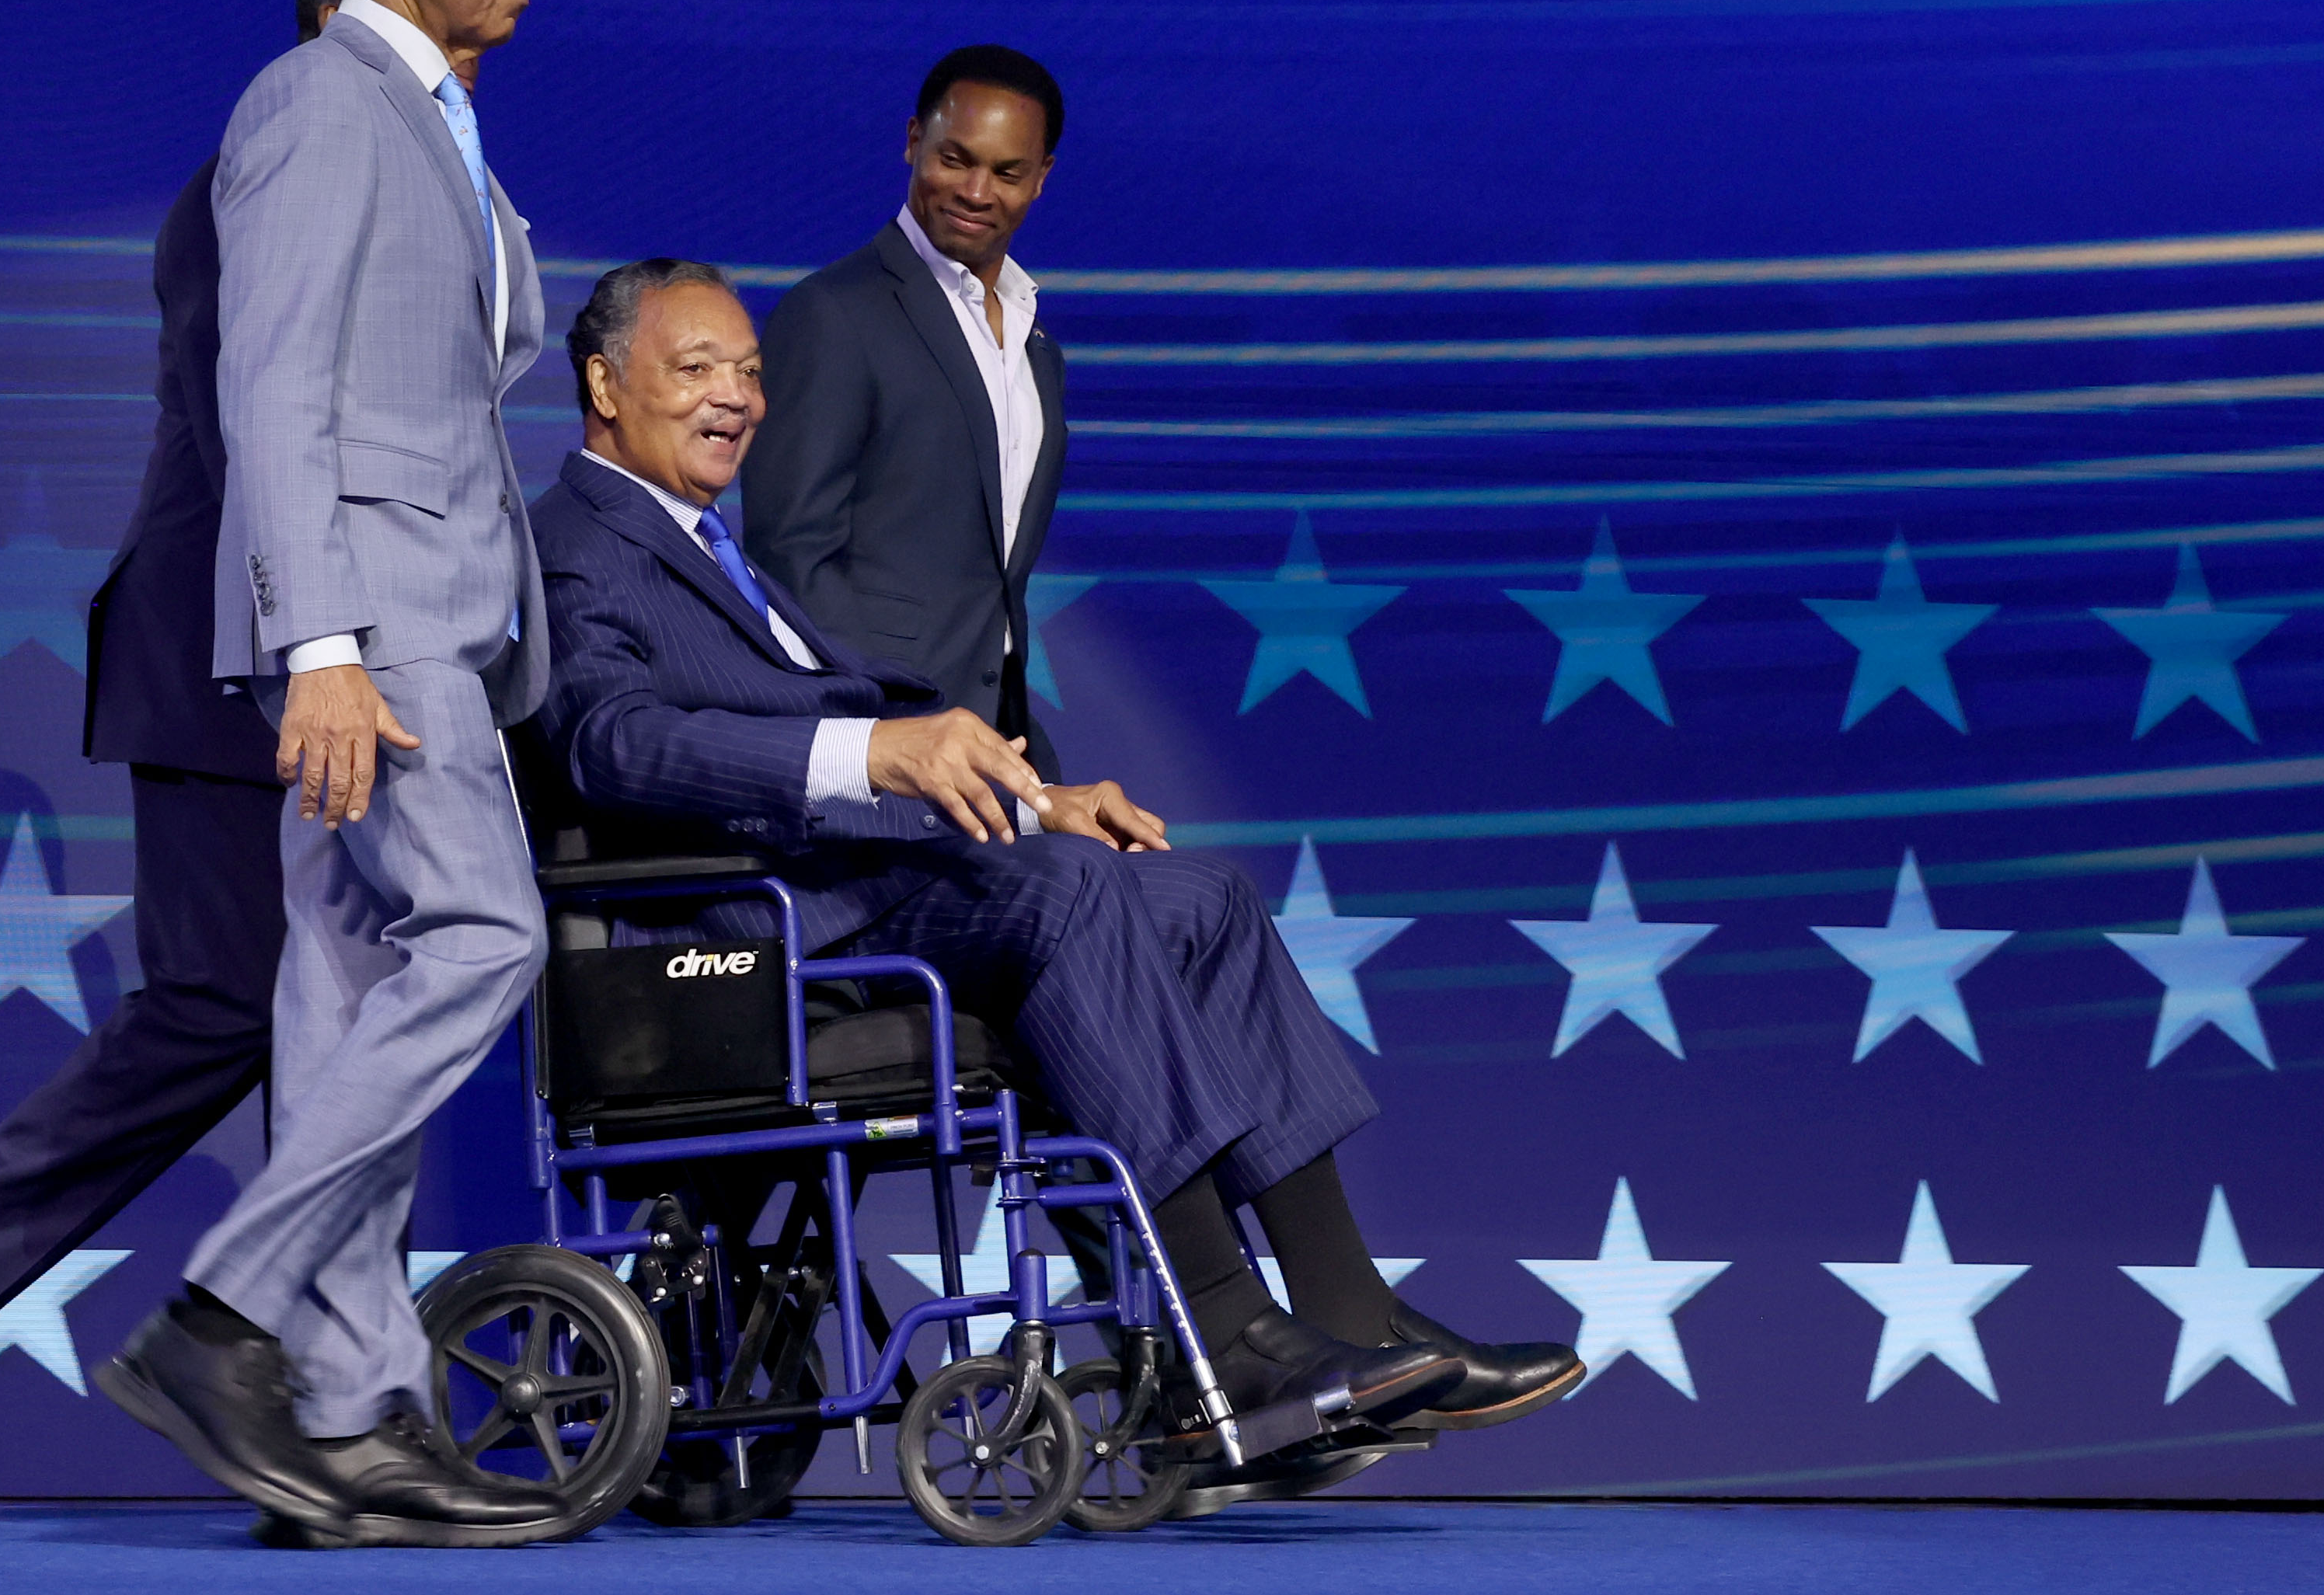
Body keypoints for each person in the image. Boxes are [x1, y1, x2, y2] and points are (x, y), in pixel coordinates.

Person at [533, 260, 1587, 1443]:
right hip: (757, 928)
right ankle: (1227, 1338)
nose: (737, 396)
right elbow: (613, 744)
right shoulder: (581, 543)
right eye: (698, 370)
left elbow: (873, 747)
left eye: (750, 371)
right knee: (1079, 899)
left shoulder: (708, 542)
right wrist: (876, 752)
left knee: (1203, 900)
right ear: (604, 383)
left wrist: (1037, 802)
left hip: (864, 885)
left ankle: (1354, 1316)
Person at [89, 0, 566, 1550]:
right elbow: (271, 389)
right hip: (376, 630)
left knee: (353, 994)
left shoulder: (433, 120)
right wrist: (326, 648)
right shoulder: (314, 104)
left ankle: (354, 1406)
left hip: (414, 624)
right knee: (488, 932)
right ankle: (224, 1315)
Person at [0, 0, 331, 1516]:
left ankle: (306, 1394)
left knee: (326, 1016)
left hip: (309, 657)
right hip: (230, 659)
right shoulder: (276, 165)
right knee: (229, 1004)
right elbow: (272, 430)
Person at [742, 46, 1073, 780]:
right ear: (912, 141)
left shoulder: (1035, 342)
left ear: (1041, 178)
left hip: (997, 748)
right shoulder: (833, 313)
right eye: (955, 158)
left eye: (1007, 172)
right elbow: (791, 554)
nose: (976, 191)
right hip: (883, 745)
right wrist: (894, 723)